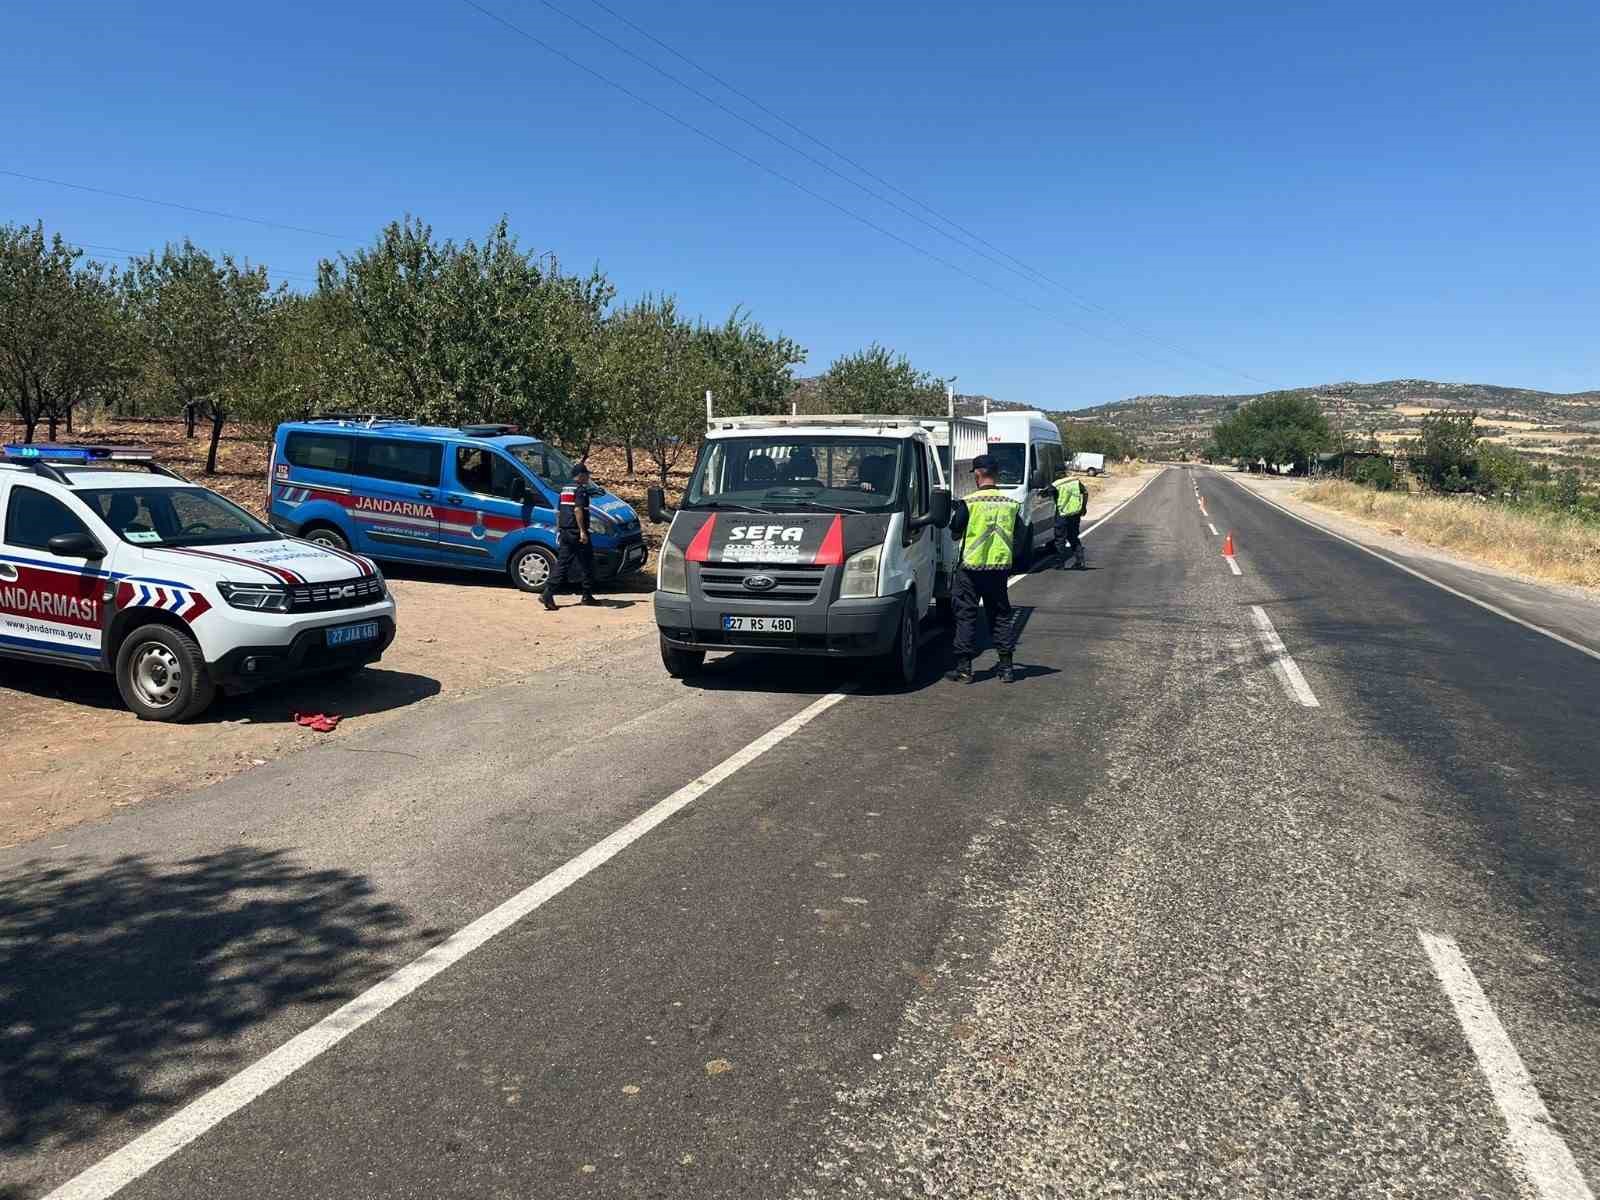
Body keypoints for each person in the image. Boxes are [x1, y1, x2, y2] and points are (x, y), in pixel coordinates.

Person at [947, 454, 1023, 684]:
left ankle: (964, 669)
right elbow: (1018, 534)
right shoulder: (1010, 504)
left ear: (978, 474)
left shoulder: (969, 503)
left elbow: (955, 530)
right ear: (996, 474)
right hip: (998, 569)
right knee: (1000, 616)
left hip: (970, 569)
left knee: (966, 615)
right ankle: (1007, 667)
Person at [542, 462, 599, 610]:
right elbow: (578, 510)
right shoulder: (580, 491)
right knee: (588, 561)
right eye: (586, 475)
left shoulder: (564, 490)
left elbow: (559, 511)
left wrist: (560, 529)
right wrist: (582, 531)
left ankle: (548, 592)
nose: (588, 477)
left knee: (563, 563)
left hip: (565, 531)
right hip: (576, 531)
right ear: (580, 476)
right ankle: (586, 595)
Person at [1051, 473, 1089, 569]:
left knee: (1060, 538)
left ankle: (1060, 563)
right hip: (1075, 513)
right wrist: (1083, 507)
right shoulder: (1074, 482)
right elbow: (1085, 493)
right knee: (1073, 537)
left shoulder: (1056, 484)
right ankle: (1080, 562)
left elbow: (1043, 495)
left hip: (1062, 514)